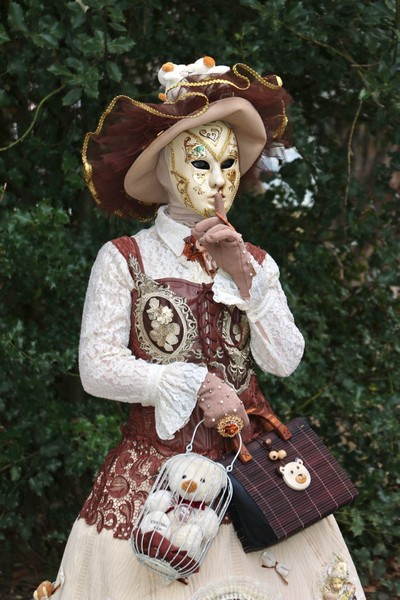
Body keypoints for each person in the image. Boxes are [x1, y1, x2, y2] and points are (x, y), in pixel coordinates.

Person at [37, 59, 365, 600]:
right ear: (166, 169)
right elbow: (96, 367)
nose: (218, 180)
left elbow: (285, 359)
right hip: (157, 480)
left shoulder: (255, 261)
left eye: (230, 163)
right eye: (200, 162)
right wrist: (193, 383)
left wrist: (243, 274)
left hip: (256, 472)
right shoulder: (124, 258)